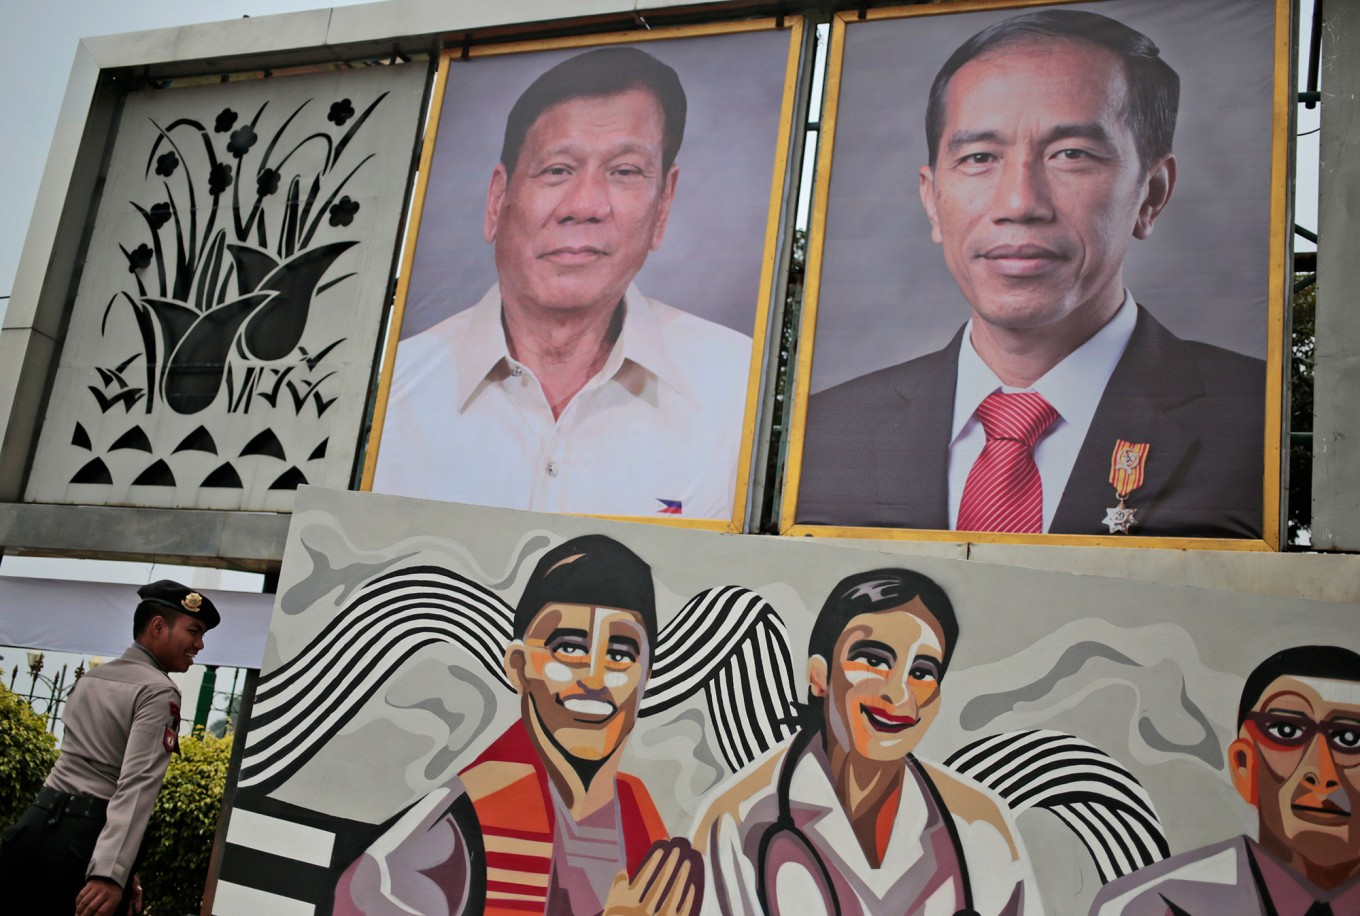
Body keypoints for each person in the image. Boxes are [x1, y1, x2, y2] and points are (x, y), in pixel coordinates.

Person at [798, 9, 1265, 538]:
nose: (1019, 203)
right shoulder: (829, 431)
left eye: (1071, 154)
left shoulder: (1256, 419)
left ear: (1150, 195)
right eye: (979, 157)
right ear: (932, 200)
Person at [373, 46, 752, 521]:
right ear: (498, 199)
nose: (586, 204)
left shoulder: (742, 392)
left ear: (664, 204)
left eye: (625, 172)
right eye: (557, 170)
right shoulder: (387, 397)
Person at [335, 534, 702, 915]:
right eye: (570, 648)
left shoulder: (639, 816)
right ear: (519, 667)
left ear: (646, 676)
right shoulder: (454, 831)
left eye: (620, 654)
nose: (595, 679)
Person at [690, 568, 1037, 915]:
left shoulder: (978, 823)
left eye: (922, 673)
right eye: (873, 660)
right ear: (819, 676)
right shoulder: (736, 821)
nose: (899, 695)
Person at [0, 580, 218, 916]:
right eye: (194, 631)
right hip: (84, 843)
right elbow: (136, 785)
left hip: (33, 829)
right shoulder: (159, 691)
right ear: (158, 627)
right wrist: (111, 871)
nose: (199, 644)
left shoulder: (90, 679)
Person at [1090, 645, 1360, 915]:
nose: (1322, 774)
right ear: (1243, 765)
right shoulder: (1150, 904)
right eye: (1286, 730)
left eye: (1350, 739)